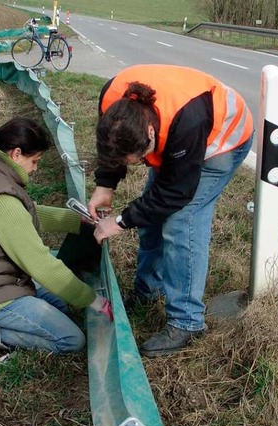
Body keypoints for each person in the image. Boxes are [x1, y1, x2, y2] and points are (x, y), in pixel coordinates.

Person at [88, 64, 254, 357]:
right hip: (178, 134)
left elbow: (176, 192)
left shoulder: (188, 121)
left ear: (150, 134)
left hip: (222, 139)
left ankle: (187, 321)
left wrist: (121, 221)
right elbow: (113, 147)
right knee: (152, 215)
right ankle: (147, 290)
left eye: (139, 159)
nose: (138, 163)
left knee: (180, 220)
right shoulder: (111, 101)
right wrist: (105, 185)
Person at [0, 117, 110, 362]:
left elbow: (26, 215)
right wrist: (94, 300)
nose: (35, 169)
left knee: (61, 304)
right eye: (35, 161)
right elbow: (41, 264)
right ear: (17, 154)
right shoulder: (0, 198)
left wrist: (78, 221)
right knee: (71, 340)